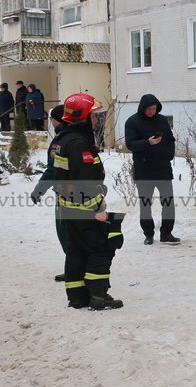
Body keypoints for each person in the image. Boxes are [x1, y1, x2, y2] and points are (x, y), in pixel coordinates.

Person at [52, 93, 125, 310]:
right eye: (93, 116)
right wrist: (96, 210)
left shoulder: (63, 140)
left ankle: (77, 297)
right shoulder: (78, 144)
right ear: (83, 118)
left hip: (68, 209)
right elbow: (84, 180)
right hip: (85, 209)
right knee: (100, 249)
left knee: (77, 250)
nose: (96, 120)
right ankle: (99, 296)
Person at [125, 94, 180, 245]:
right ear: (143, 109)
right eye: (149, 109)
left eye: (154, 109)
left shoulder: (162, 120)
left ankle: (166, 233)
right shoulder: (132, 122)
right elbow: (130, 144)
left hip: (162, 168)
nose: (151, 111)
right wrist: (147, 143)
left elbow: (170, 139)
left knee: (168, 202)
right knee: (145, 204)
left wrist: (169, 154)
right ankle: (148, 234)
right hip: (144, 170)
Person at [32, 105, 68, 281]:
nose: (51, 122)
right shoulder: (79, 135)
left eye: (52, 119)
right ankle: (77, 266)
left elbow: (53, 170)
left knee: (65, 231)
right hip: (83, 191)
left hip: (65, 193)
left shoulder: (60, 141)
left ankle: (74, 268)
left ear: (57, 120)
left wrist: (38, 190)